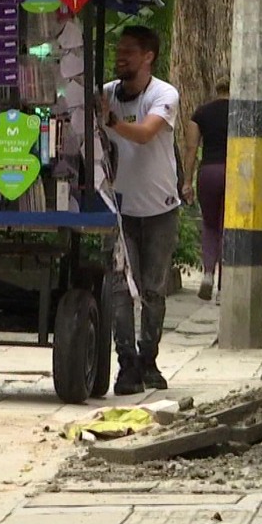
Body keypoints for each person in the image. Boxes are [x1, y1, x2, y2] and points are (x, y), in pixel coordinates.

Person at [100, 25, 182, 396]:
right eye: (119, 50)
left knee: (152, 288)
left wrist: (112, 122)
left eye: (129, 51)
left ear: (148, 57)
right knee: (120, 288)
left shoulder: (164, 95)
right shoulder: (106, 95)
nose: (120, 56)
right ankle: (126, 362)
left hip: (160, 208)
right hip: (119, 209)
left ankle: (149, 358)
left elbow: (147, 133)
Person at [182, 81, 230, 303]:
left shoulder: (201, 113)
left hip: (208, 172)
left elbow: (191, 148)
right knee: (227, 228)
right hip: (234, 174)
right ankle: (223, 288)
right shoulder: (242, 111)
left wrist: (187, 182)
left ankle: (208, 275)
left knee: (210, 226)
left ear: (216, 90)